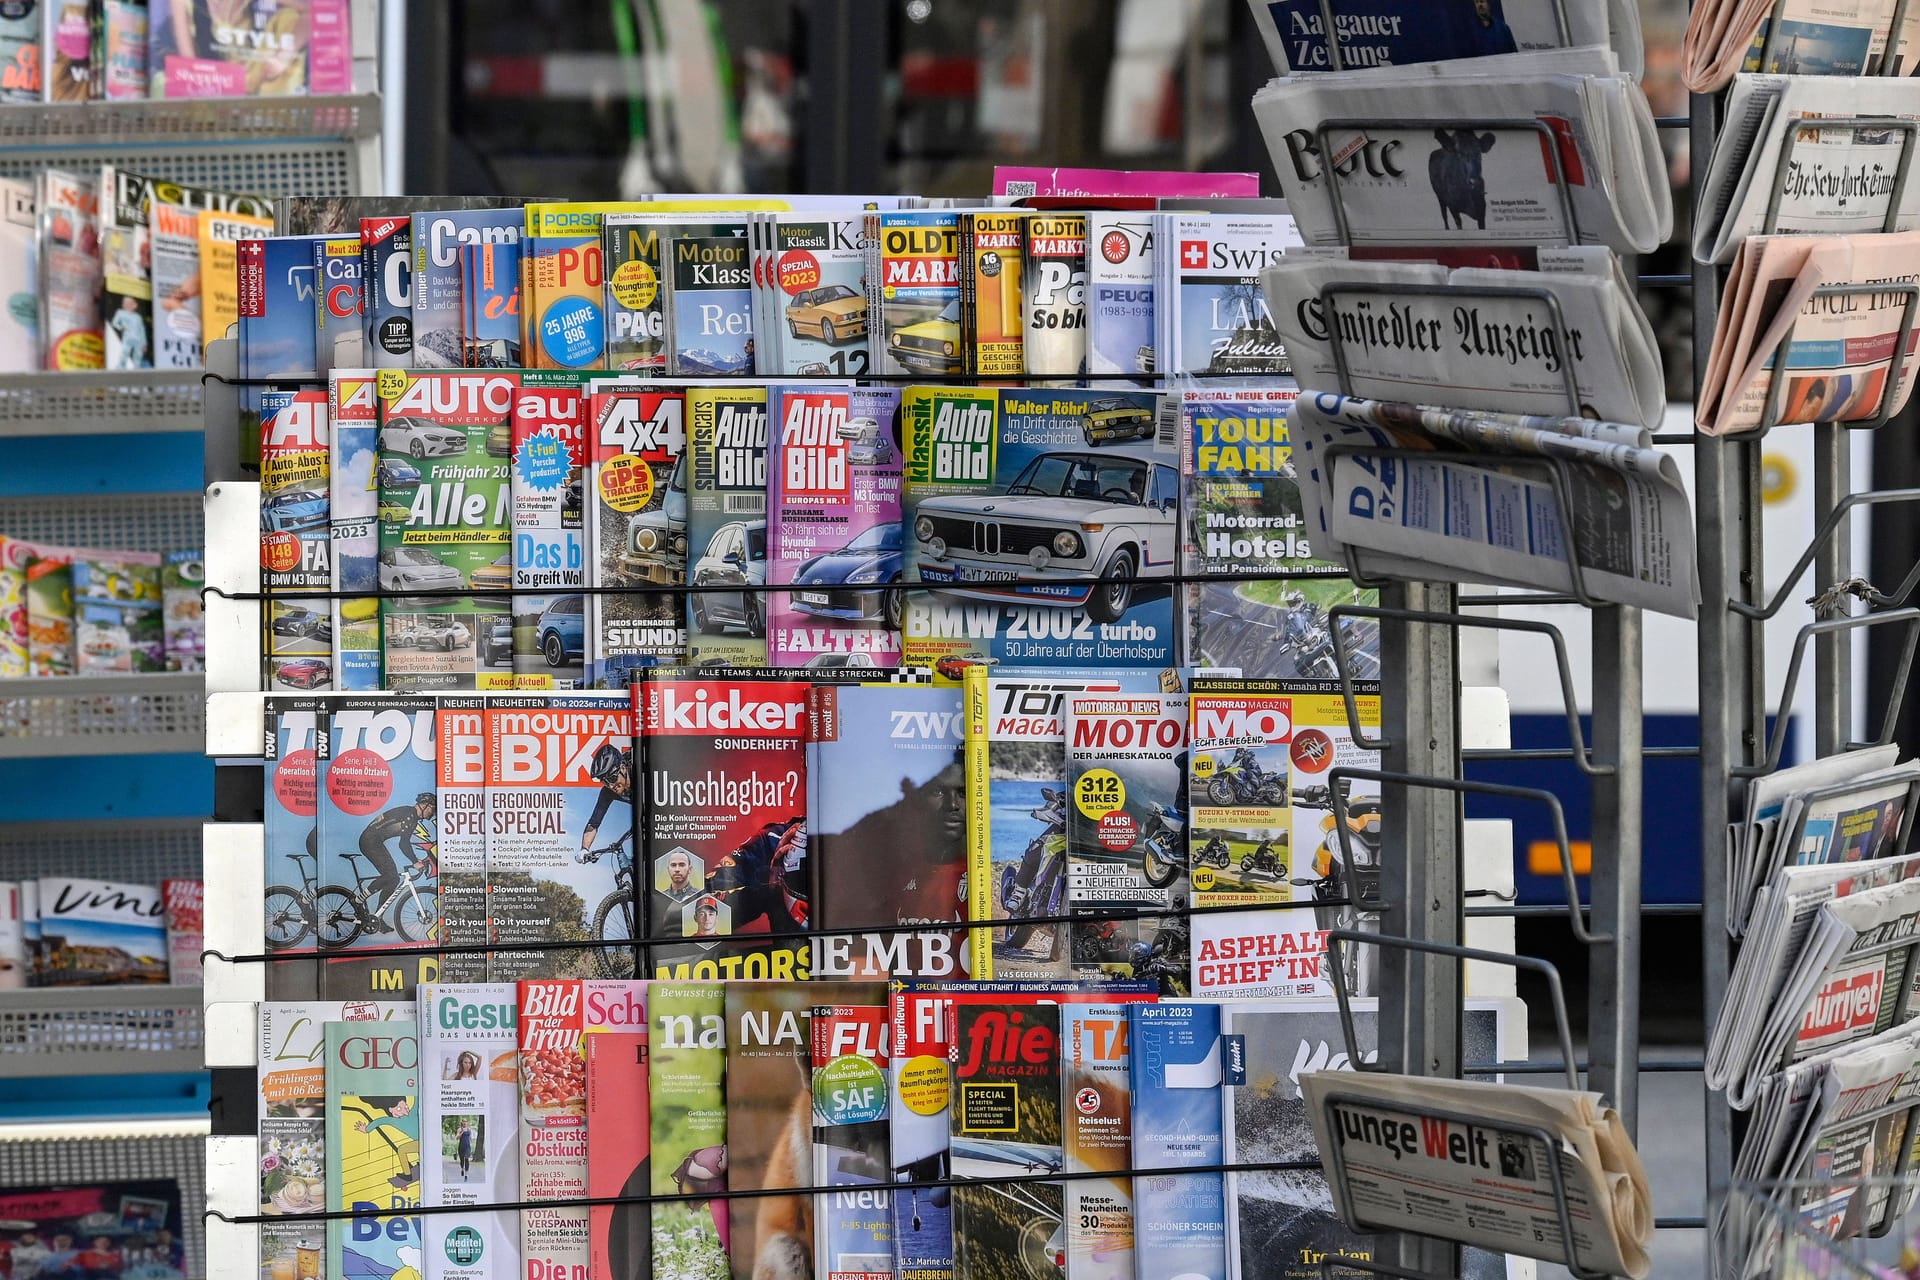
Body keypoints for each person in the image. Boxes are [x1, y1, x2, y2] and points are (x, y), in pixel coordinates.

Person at [355, 793, 437, 933]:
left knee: (392, 880)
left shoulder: (410, 815)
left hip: (372, 840)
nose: (432, 813)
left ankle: (378, 918)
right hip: (370, 841)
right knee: (391, 876)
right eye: (432, 809)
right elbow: (403, 844)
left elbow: (404, 844)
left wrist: (415, 860)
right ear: (424, 805)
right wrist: (415, 861)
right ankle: (358, 901)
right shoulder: (410, 815)